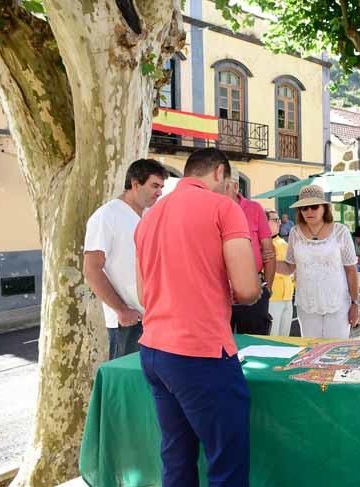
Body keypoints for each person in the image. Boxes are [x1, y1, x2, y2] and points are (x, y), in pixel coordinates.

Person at [135, 148, 261, 486]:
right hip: (201, 353)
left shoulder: (150, 215)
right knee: (227, 464)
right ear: (219, 173)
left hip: (153, 349)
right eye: (229, 182)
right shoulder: (224, 208)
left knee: (176, 458)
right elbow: (247, 289)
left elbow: (142, 290)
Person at [83, 158, 167, 360]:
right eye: (154, 185)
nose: (160, 192)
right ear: (135, 184)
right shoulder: (106, 216)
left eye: (162, 187)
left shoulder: (150, 216)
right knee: (128, 385)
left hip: (156, 318)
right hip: (128, 323)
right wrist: (121, 310)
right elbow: (91, 269)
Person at [277, 185, 360, 338]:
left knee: (336, 352)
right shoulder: (295, 232)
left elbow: (351, 271)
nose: (309, 211)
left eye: (314, 206)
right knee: (310, 352)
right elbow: (289, 267)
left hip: (337, 304)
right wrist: (263, 262)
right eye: (304, 208)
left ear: (324, 208)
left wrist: (355, 304)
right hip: (307, 305)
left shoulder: (340, 231)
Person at [226, 181, 275, 335]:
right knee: (219, 347)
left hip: (253, 288)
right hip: (220, 292)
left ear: (234, 186)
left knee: (255, 342)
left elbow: (269, 250)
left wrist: (267, 288)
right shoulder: (212, 209)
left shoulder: (254, 208)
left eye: (223, 186)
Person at [266, 209, 295, 337]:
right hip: (272, 297)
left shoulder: (283, 242)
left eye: (279, 219)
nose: (279, 223)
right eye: (275, 220)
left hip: (287, 296)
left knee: (285, 337)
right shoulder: (263, 243)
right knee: (273, 336)